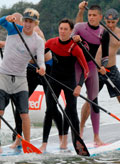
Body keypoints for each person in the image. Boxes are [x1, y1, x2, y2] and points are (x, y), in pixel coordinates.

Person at [0, 9, 46, 154]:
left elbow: (41, 60)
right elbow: (1, 22)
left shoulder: (38, 41)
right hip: (4, 75)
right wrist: (6, 17)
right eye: (26, 21)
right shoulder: (14, 28)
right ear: (23, 21)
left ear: (35, 24)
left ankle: (27, 145)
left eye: (31, 22)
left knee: (24, 114)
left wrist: (42, 68)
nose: (27, 24)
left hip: (21, 79)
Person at [40, 18, 88, 152]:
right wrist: (41, 66)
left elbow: (86, 70)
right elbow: (39, 56)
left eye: (66, 29)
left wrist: (79, 86)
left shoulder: (75, 47)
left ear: (71, 31)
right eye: (61, 28)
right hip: (54, 79)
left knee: (71, 111)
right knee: (49, 110)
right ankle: (44, 143)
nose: (63, 31)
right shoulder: (51, 43)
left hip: (70, 81)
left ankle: (74, 141)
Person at [89, 8, 120, 135]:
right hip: (97, 70)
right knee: (90, 99)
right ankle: (82, 127)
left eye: (113, 22)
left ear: (117, 21)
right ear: (104, 20)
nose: (110, 25)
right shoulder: (96, 30)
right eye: (108, 22)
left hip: (112, 70)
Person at [73, 2, 109, 146]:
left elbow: (105, 56)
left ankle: (96, 137)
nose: (92, 18)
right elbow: (69, 40)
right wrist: (74, 39)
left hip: (92, 67)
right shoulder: (79, 27)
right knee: (72, 100)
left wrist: (103, 67)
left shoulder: (103, 32)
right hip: (76, 66)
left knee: (94, 101)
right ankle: (78, 131)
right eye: (90, 15)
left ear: (100, 17)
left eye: (94, 15)